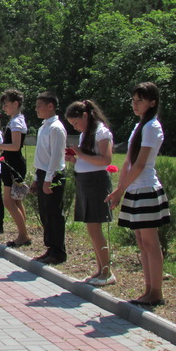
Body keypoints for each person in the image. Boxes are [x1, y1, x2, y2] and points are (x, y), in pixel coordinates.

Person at [106, 82, 169, 306]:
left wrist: (120, 189)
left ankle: (156, 292)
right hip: (135, 188)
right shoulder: (140, 125)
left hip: (146, 188)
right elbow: (129, 162)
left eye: (139, 100)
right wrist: (120, 189)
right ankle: (149, 289)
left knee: (151, 243)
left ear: (152, 102)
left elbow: (141, 164)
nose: (135, 104)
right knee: (142, 242)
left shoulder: (152, 126)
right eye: (133, 100)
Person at [66, 99, 115, 286]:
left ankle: (107, 272)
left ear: (85, 115)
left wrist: (79, 153)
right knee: (91, 229)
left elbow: (105, 160)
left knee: (96, 229)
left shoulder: (101, 132)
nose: (76, 127)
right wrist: (74, 159)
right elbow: (86, 160)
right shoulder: (85, 134)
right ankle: (100, 269)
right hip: (85, 181)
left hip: (97, 182)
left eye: (76, 123)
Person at [0, 89, 31, 248]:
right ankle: (23, 233)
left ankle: (23, 235)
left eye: (7, 105)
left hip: (14, 164)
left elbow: (15, 146)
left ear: (16, 104)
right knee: (15, 201)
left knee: (9, 201)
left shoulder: (16, 122)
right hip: (10, 163)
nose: (4, 108)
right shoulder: (15, 120)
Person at [31, 91, 68, 265]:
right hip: (43, 172)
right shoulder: (43, 126)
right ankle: (50, 247)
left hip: (53, 174)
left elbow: (56, 156)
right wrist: (37, 178)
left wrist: (48, 179)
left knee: (54, 213)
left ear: (50, 106)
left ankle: (58, 251)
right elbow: (42, 155)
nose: (36, 109)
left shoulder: (56, 127)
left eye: (40, 106)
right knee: (45, 212)